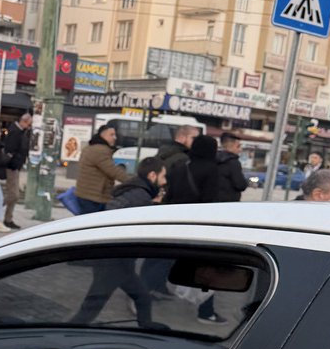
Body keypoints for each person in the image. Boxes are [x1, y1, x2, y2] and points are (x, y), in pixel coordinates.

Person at [70, 158, 167, 327]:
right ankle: (69, 331)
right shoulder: (141, 196)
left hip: (116, 260)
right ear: (152, 175)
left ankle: (147, 328)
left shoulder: (134, 191)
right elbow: (142, 228)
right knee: (90, 309)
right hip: (114, 262)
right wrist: (155, 207)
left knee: (142, 298)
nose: (165, 181)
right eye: (163, 176)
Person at [0, 111, 31, 229]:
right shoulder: (15, 132)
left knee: (13, 194)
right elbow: (11, 150)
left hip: (15, 166)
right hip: (11, 167)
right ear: (24, 121)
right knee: (13, 194)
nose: (29, 126)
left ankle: (8, 218)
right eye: (29, 124)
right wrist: (13, 161)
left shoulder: (20, 131)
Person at [74, 124, 130, 213]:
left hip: (87, 194)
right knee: (93, 225)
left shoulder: (92, 147)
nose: (115, 138)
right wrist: (132, 181)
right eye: (111, 135)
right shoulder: (100, 151)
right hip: (94, 197)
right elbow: (113, 171)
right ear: (102, 135)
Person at [164, 134, 220, 204]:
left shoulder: (180, 166)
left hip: (176, 208)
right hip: (196, 211)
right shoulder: (211, 169)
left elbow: (170, 193)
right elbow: (210, 196)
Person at [216, 132, 249, 203]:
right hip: (229, 203)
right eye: (238, 146)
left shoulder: (213, 159)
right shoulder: (233, 163)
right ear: (231, 146)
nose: (240, 149)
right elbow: (240, 185)